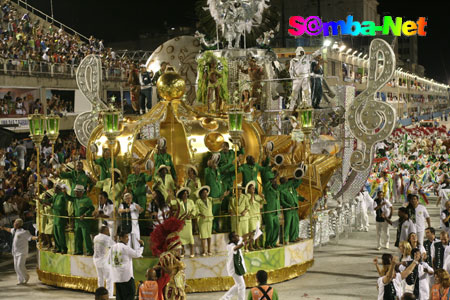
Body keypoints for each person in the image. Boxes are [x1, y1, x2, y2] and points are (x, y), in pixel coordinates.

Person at [0, 218, 37, 284]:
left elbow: (31, 237)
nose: (15, 224)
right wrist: (3, 228)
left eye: (16, 223)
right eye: (14, 222)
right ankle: (20, 280)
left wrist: (37, 238)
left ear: (20, 224)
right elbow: (9, 230)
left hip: (22, 252)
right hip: (15, 252)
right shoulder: (14, 231)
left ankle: (26, 276)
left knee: (20, 265)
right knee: (16, 267)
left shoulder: (24, 232)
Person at [110, 231, 144, 300]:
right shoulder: (125, 248)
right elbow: (137, 254)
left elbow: (110, 260)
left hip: (116, 276)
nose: (128, 239)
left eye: (128, 237)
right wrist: (141, 246)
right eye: (126, 237)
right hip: (126, 276)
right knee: (131, 293)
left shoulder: (113, 247)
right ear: (121, 238)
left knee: (120, 296)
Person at [220, 232, 251, 300]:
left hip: (238, 267)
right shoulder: (230, 246)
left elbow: (242, 237)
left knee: (238, 284)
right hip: (234, 268)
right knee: (241, 285)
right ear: (232, 238)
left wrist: (252, 232)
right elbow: (236, 248)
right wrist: (244, 243)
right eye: (236, 236)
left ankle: (225, 298)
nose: (238, 236)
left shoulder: (237, 241)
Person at [126, 164, 152, 235]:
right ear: (133, 169)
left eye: (139, 168)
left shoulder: (143, 175)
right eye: (136, 168)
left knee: (141, 213)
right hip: (133, 197)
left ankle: (142, 230)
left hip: (141, 197)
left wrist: (150, 172)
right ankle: (133, 229)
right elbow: (127, 184)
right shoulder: (130, 176)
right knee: (133, 212)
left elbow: (148, 179)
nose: (138, 169)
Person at [69, 184, 95, 255]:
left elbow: (92, 208)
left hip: (84, 222)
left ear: (81, 192)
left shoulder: (87, 200)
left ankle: (90, 251)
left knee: (86, 237)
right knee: (77, 237)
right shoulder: (75, 200)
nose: (75, 193)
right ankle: (79, 251)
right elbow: (68, 198)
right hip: (77, 221)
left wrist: (85, 214)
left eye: (77, 192)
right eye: (75, 191)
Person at [171, 187, 197, 258]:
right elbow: (171, 202)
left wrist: (191, 215)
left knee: (190, 237)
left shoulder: (191, 201)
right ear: (181, 195)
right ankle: (183, 251)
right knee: (181, 237)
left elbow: (194, 209)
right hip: (181, 222)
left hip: (188, 221)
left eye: (186, 193)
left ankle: (192, 252)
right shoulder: (178, 202)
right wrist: (171, 195)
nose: (185, 195)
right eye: (184, 194)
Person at [45, 183, 69, 253]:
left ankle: (63, 249)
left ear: (59, 189)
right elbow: (49, 200)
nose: (54, 189)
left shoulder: (62, 196)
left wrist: (51, 206)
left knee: (61, 234)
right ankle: (58, 248)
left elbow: (60, 208)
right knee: (56, 234)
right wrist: (40, 200)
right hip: (55, 217)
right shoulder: (55, 195)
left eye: (55, 188)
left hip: (60, 218)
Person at [93, 226, 115, 299]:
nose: (109, 232)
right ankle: (109, 295)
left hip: (96, 260)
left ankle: (100, 294)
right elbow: (115, 246)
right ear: (105, 231)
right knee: (109, 278)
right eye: (108, 231)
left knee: (100, 277)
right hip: (104, 261)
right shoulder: (106, 238)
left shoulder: (96, 237)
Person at [279, 176, 302, 244]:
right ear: (284, 182)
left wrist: (299, 177)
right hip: (288, 210)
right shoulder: (282, 190)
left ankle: (294, 237)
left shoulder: (291, 188)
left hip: (294, 209)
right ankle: (285, 239)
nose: (288, 181)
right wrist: (288, 206)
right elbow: (282, 201)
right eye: (287, 180)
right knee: (288, 224)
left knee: (295, 223)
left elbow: (296, 195)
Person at [246, 181, 265, 251]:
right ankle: (250, 246)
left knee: (258, 231)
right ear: (248, 190)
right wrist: (252, 195)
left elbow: (263, 203)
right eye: (251, 188)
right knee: (252, 232)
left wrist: (263, 198)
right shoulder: (247, 196)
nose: (253, 190)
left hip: (257, 216)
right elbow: (250, 202)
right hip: (251, 216)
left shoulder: (257, 196)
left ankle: (256, 244)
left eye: (253, 188)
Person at [196, 186, 215, 256]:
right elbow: (196, 210)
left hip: (209, 219)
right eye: (204, 193)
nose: (205, 194)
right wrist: (200, 214)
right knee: (203, 236)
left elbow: (218, 200)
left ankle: (209, 250)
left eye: (206, 193)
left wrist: (223, 196)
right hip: (202, 220)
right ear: (201, 194)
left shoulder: (210, 199)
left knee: (209, 235)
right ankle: (204, 250)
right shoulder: (198, 201)